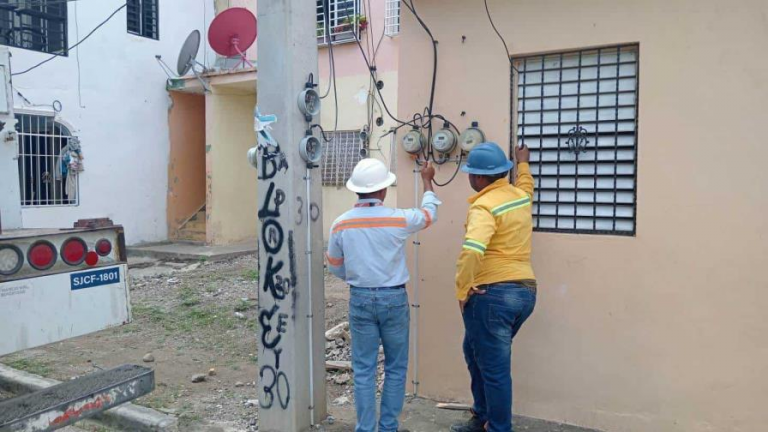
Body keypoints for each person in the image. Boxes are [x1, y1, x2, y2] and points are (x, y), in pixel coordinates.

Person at [326, 158, 440, 432]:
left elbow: (335, 266)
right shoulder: (398, 218)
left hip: (361, 298)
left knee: (363, 369)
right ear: (383, 190)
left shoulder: (341, 224)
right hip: (393, 299)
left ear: (357, 190)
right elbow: (429, 214)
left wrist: (358, 278)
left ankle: (366, 428)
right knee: (396, 367)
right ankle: (388, 427)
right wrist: (427, 180)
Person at [451, 143, 537, 432]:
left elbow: (473, 249)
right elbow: (527, 186)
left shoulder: (484, 206)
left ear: (477, 178)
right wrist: (523, 163)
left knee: (494, 367)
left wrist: (463, 290)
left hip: (494, 295)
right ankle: (483, 416)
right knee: (475, 349)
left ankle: (498, 426)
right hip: (525, 292)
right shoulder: (518, 197)